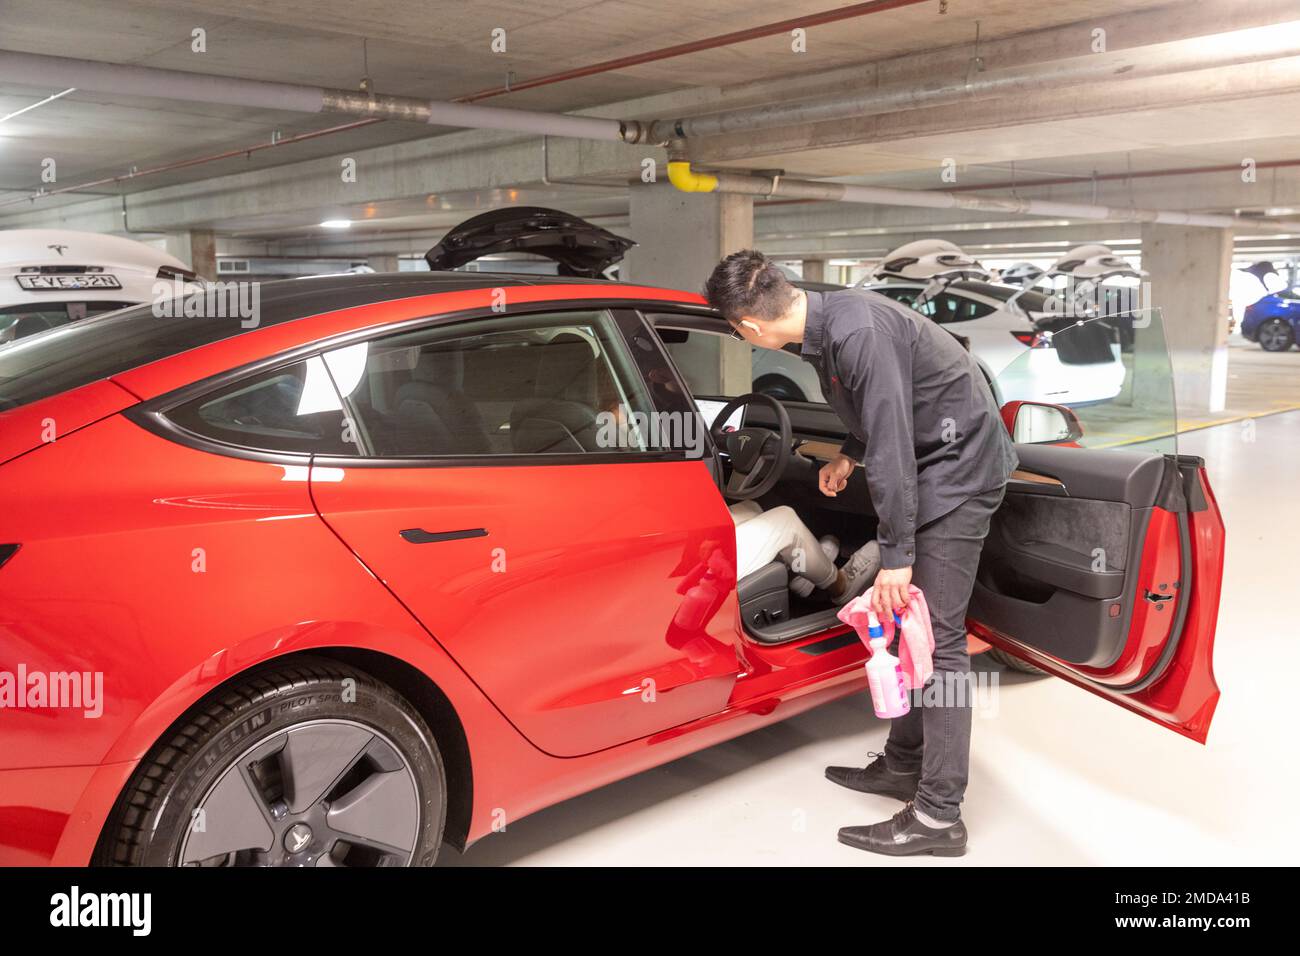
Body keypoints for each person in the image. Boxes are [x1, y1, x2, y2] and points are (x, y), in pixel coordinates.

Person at [704, 250, 1018, 857]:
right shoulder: (829, 323)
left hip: (959, 473)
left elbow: (897, 445)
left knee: (942, 642)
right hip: (933, 462)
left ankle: (938, 816)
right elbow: (885, 402)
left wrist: (896, 556)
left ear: (747, 328)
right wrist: (850, 451)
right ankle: (904, 763)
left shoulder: (857, 332)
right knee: (907, 625)